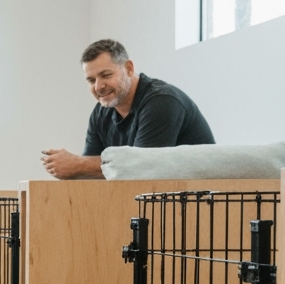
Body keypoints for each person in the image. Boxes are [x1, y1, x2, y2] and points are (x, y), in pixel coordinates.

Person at [42, 39, 215, 180]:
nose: (99, 86)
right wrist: (75, 168)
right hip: (152, 201)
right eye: (91, 80)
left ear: (129, 68)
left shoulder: (162, 101)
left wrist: (77, 165)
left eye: (106, 75)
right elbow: (89, 175)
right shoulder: (100, 112)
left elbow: (142, 167)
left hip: (200, 203)